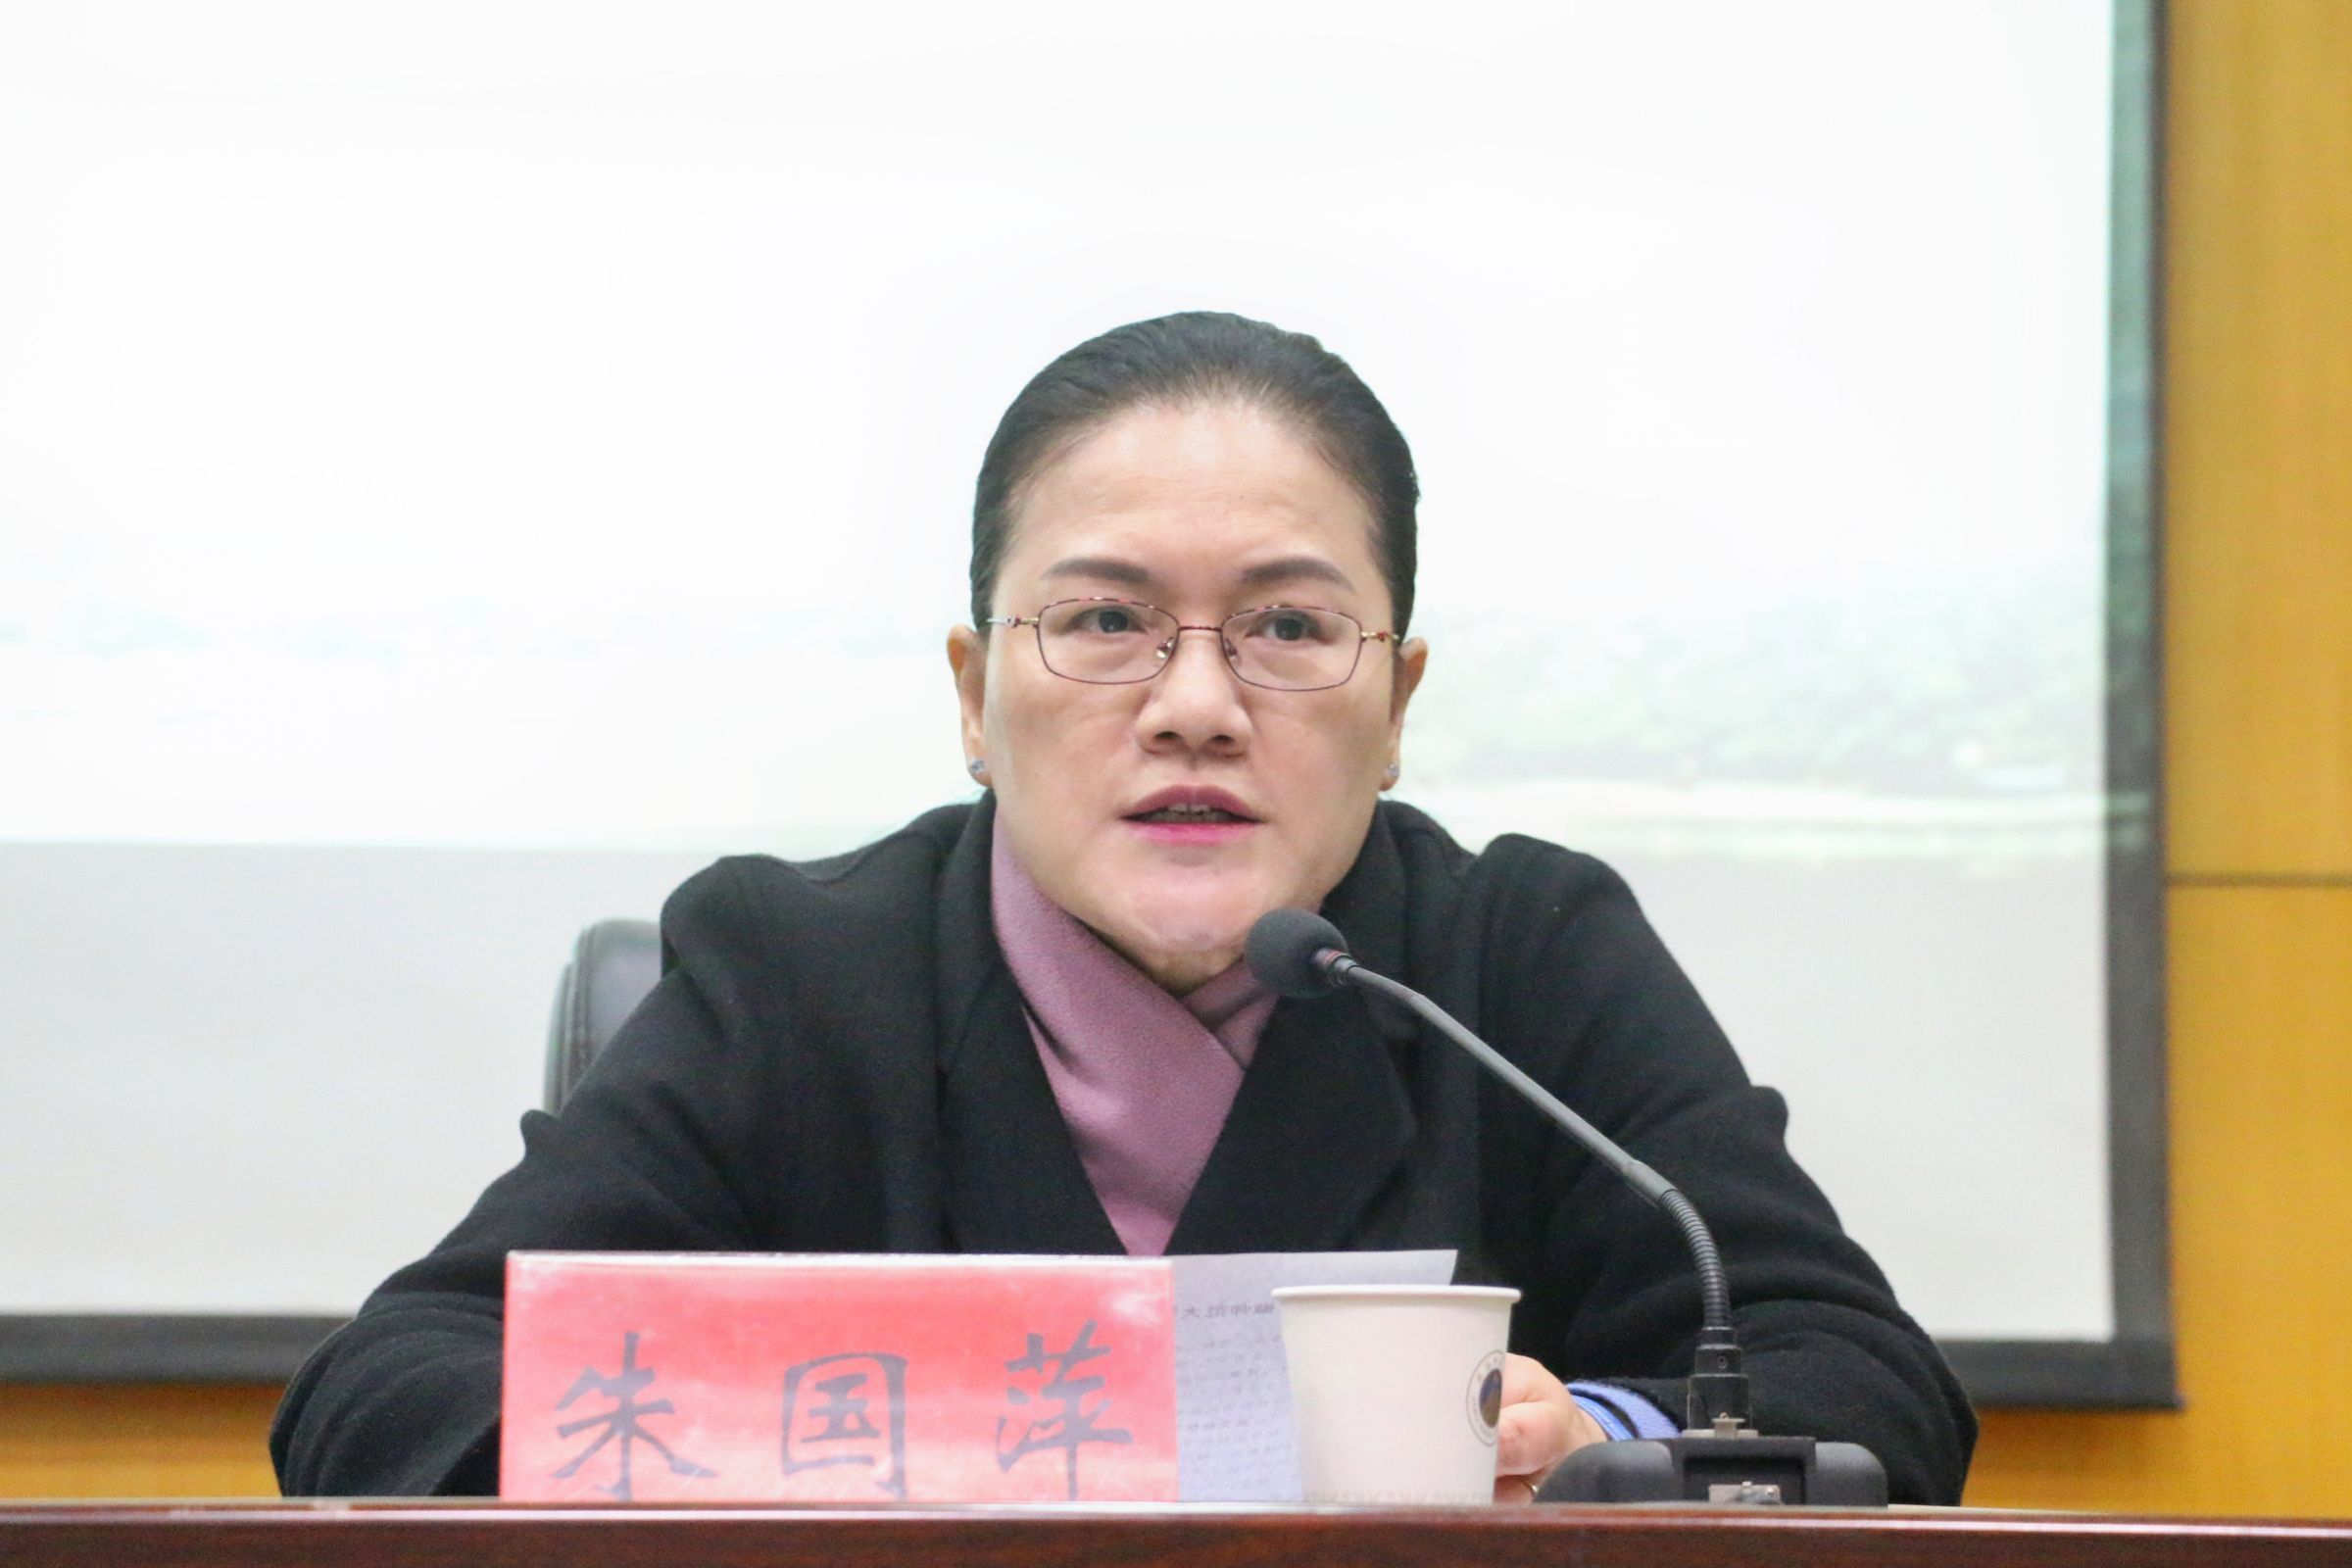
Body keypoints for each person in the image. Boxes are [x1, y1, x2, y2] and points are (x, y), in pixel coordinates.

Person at [270, 311, 1975, 1503]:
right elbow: (393, 1391)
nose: (1197, 707)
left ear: (1397, 703)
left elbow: (1859, 1384)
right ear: (972, 694)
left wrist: (1589, 1438)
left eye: (1290, 629)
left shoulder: (1514, 957)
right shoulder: (796, 973)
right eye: (1103, 622)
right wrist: (818, 1440)